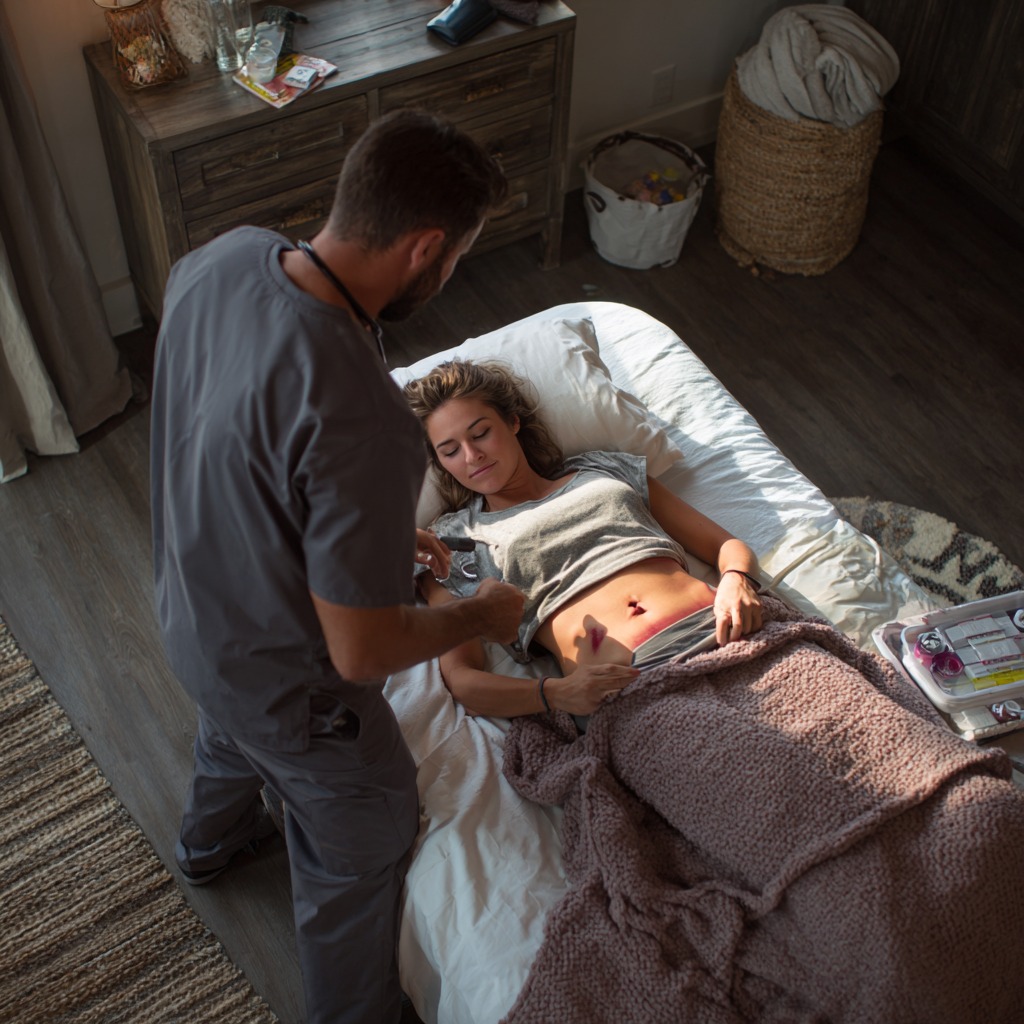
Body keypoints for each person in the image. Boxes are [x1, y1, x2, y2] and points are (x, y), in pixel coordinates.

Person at [150, 111, 524, 1024]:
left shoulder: (222, 259)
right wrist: (482, 616)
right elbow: (361, 653)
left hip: (193, 610)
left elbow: (242, 441)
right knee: (368, 824)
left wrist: (372, 541)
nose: (449, 273)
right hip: (292, 689)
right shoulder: (366, 417)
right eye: (456, 257)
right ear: (425, 247)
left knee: (230, 729)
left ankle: (206, 849)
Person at [403, 358, 765, 719]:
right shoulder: (451, 540)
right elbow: (462, 679)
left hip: (732, 631)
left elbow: (724, 545)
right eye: (450, 451)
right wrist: (554, 694)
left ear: (513, 421)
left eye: (481, 433)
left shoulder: (603, 469)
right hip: (632, 690)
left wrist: (737, 579)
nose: (472, 456)